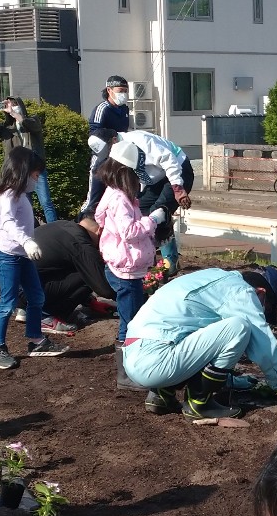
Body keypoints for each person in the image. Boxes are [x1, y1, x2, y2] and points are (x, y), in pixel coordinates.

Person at [120, 266, 277, 419]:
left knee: (198, 327)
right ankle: (199, 403)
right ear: (261, 292)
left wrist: (233, 382)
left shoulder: (215, 278)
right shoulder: (241, 291)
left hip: (136, 354)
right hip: (156, 362)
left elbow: (204, 345)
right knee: (239, 327)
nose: (262, 312)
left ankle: (161, 394)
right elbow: (264, 345)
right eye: (266, 307)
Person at [0, 146, 68, 370]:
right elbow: (6, 222)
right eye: (35, 174)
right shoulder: (8, 196)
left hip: (22, 256)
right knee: (8, 303)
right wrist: (23, 242)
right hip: (9, 256)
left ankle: (36, 340)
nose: (37, 179)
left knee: (36, 297)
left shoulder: (20, 195)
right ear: (23, 171)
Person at [91, 128, 194, 275]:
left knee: (159, 211)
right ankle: (147, 260)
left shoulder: (140, 141)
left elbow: (169, 159)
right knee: (140, 213)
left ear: (114, 140)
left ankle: (170, 262)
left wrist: (178, 188)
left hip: (178, 169)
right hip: (155, 179)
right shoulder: (118, 150)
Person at [95, 140, 159, 344]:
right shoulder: (120, 199)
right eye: (135, 175)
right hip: (126, 269)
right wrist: (152, 220)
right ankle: (127, 353)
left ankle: (128, 348)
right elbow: (129, 232)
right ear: (125, 173)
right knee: (131, 319)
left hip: (122, 263)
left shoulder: (111, 192)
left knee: (129, 313)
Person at [32, 214, 116, 327]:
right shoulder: (81, 242)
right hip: (30, 291)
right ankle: (45, 315)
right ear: (100, 231)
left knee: (83, 269)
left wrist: (89, 301)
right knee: (89, 274)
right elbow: (105, 289)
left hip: (15, 287)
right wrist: (130, 296)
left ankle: (30, 308)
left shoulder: (63, 225)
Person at [0, 98, 55, 226]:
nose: (11, 107)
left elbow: (31, 125)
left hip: (36, 168)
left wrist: (14, 113)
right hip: (20, 171)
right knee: (26, 203)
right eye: (8, 105)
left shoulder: (33, 120)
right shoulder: (7, 128)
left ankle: (54, 228)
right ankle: (32, 229)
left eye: (14, 104)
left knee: (46, 202)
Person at [82, 75, 132, 212]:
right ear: (109, 90)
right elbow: (94, 133)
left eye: (125, 91)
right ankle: (85, 218)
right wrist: (112, 135)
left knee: (119, 197)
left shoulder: (125, 109)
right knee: (94, 198)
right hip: (102, 157)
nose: (124, 94)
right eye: (120, 91)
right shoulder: (102, 108)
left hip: (120, 157)